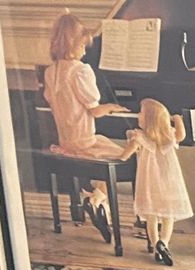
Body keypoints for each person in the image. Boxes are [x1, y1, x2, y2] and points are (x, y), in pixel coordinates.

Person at [41, 12, 128, 244]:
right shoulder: (81, 70)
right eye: (83, 45)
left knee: (104, 162)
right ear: (74, 43)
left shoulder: (51, 71)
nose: (85, 50)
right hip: (85, 141)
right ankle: (95, 199)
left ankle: (94, 199)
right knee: (125, 155)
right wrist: (112, 106)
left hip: (65, 142)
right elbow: (94, 110)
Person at [118, 98, 191, 267]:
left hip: (149, 184)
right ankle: (163, 243)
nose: (138, 116)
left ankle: (154, 243)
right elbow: (182, 135)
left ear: (149, 119)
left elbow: (123, 156)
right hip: (170, 182)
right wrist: (178, 119)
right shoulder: (169, 134)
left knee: (151, 216)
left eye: (141, 114)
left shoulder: (139, 137)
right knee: (168, 216)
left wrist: (127, 146)